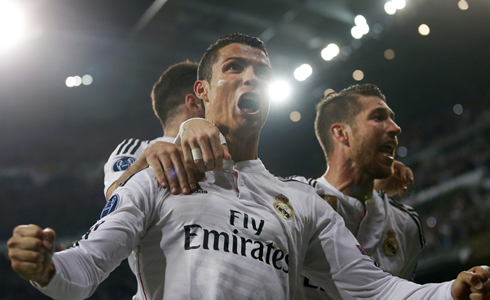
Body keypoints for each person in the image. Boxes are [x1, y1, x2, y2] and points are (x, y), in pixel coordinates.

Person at [8, 33, 490, 299]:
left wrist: (449, 291)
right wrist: (46, 266)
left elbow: (374, 289)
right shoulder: (158, 171)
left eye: (261, 71)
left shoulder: (301, 201)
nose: (250, 77)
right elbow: (85, 269)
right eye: (234, 68)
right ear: (202, 92)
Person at [292, 85, 423, 299]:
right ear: (342, 133)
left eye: (392, 118)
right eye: (378, 117)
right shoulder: (294, 205)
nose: (395, 128)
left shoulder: (407, 227)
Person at [103, 61, 230, 200]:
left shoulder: (226, 156)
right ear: (194, 103)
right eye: (211, 99)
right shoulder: (139, 148)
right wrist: (144, 161)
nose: (219, 107)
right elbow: (114, 198)